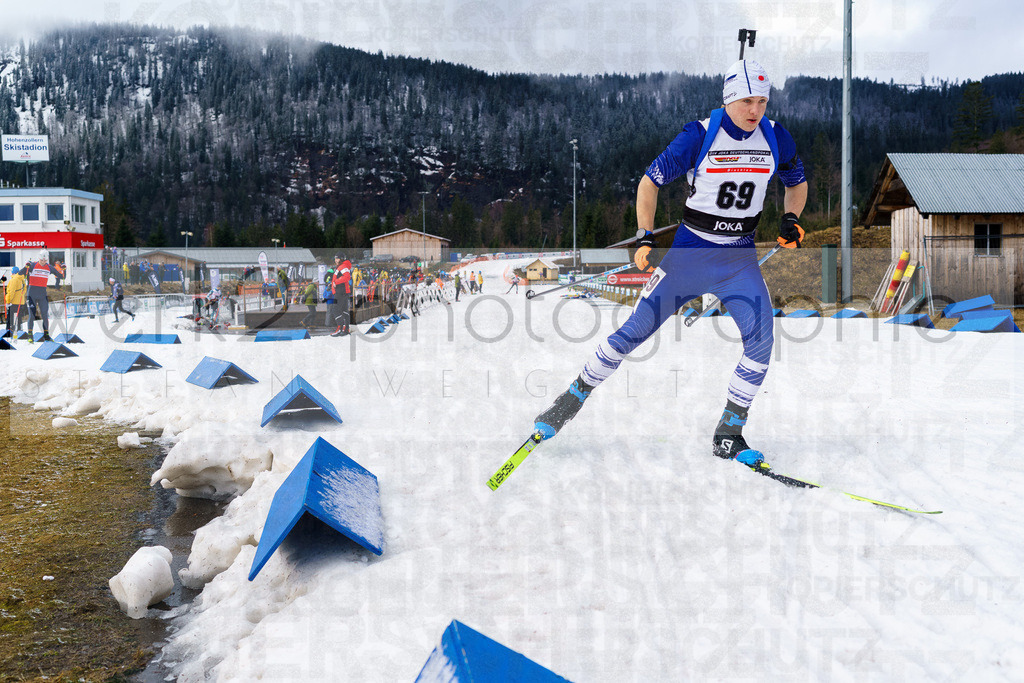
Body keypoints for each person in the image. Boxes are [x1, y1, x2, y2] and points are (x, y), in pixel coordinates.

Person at [532, 59, 808, 469]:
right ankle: (570, 399)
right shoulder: (698, 135)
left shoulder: (776, 136)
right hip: (688, 257)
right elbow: (649, 182)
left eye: (763, 102)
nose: (756, 110)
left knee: (762, 342)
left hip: (738, 261)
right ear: (729, 99)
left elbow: (796, 182)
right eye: (747, 101)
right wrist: (645, 234)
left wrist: (791, 218)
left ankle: (730, 433)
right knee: (633, 332)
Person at [24, 252, 53, 342]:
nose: (43, 261)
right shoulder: (31, 268)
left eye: (45, 260)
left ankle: (46, 335)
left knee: (44, 315)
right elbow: (23, 274)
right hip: (31, 293)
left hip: (40, 293)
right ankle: (30, 335)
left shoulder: (42, 268)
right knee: (31, 315)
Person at [329, 253, 352, 336]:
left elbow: (347, 277)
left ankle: (340, 328)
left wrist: (335, 282)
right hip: (342, 291)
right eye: (335, 258)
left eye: (337, 258)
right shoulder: (341, 266)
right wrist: (332, 284)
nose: (335, 260)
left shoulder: (342, 266)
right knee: (344, 310)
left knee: (335, 309)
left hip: (341, 291)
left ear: (341, 259)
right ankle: (346, 329)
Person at [5, 268, 26, 336]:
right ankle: (19, 330)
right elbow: (24, 290)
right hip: (20, 302)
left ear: (13, 273)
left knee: (10, 318)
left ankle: (9, 331)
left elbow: (11, 292)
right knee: (19, 317)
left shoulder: (14, 280)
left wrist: (8, 301)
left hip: (13, 302)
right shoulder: (22, 280)